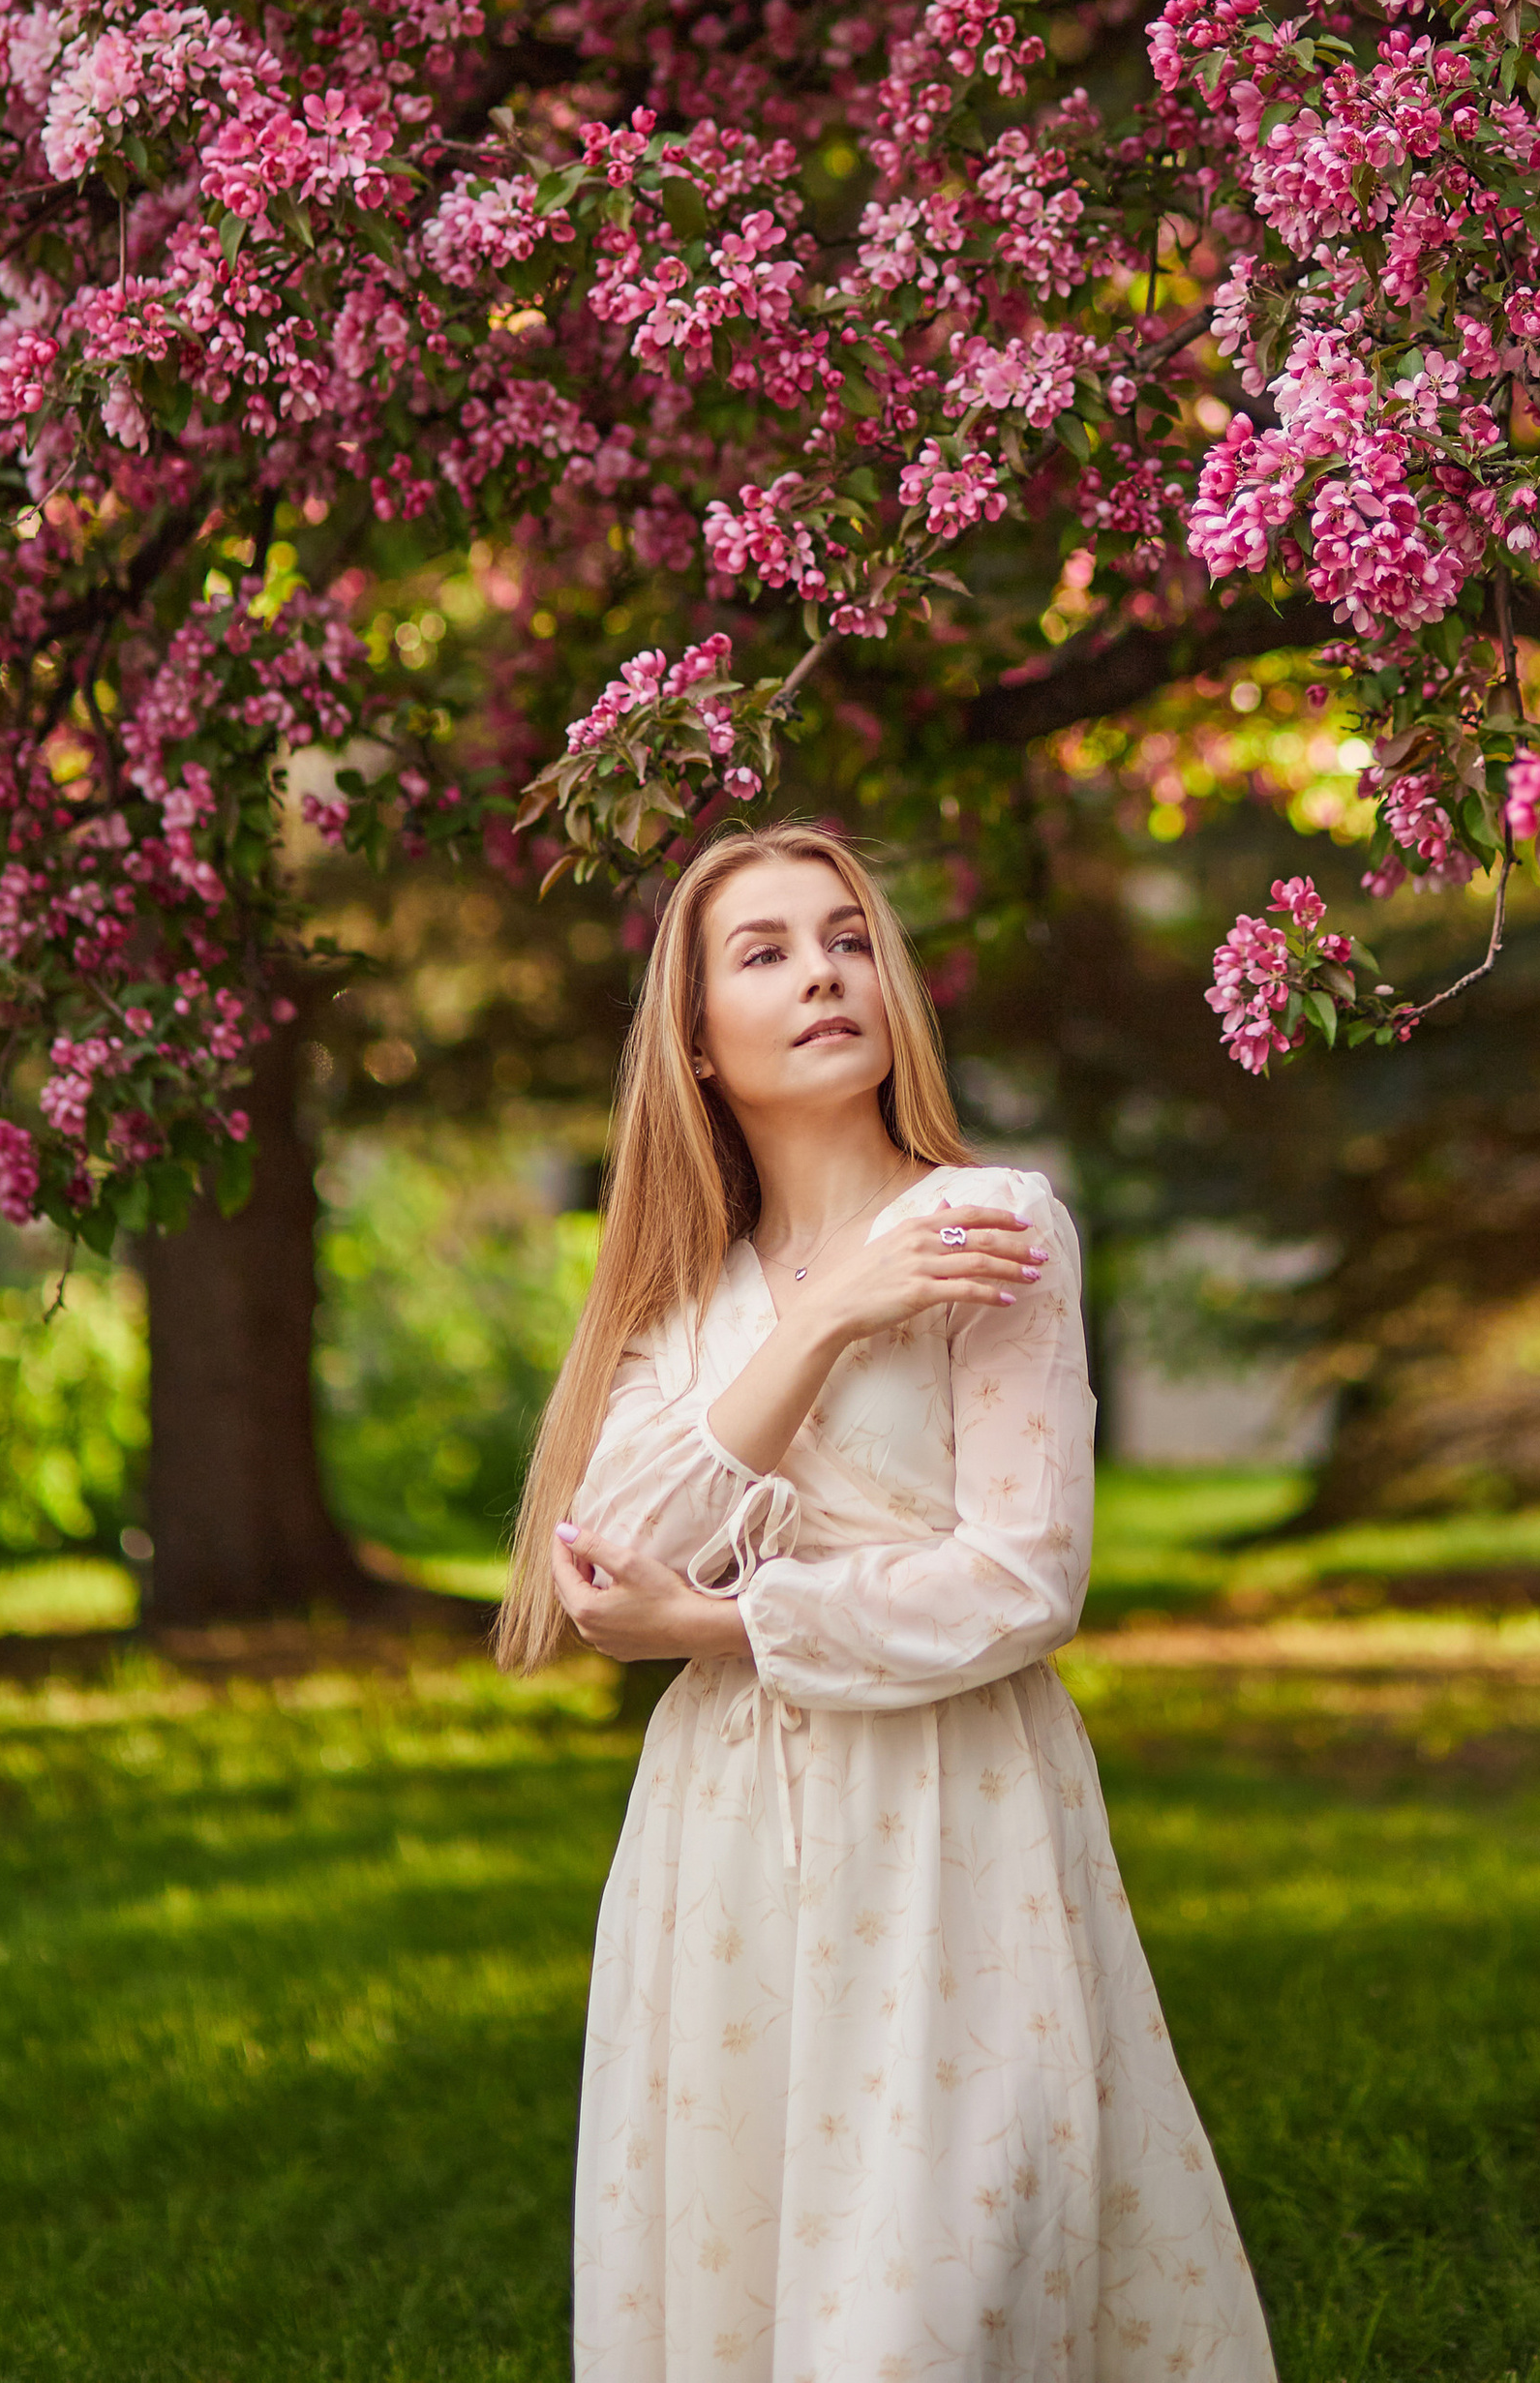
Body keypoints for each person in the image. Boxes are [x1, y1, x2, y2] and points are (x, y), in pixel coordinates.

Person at [498, 816, 1279, 2383]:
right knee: (737, 2272)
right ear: (700, 1041)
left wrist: (731, 1624)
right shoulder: (674, 1293)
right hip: (719, 1844)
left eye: (848, 938)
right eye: (766, 952)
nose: (822, 974)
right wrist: (831, 1318)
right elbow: (608, 1552)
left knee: (936, 2288)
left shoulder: (989, 1226)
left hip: (950, 1806)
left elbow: (1021, 1580)